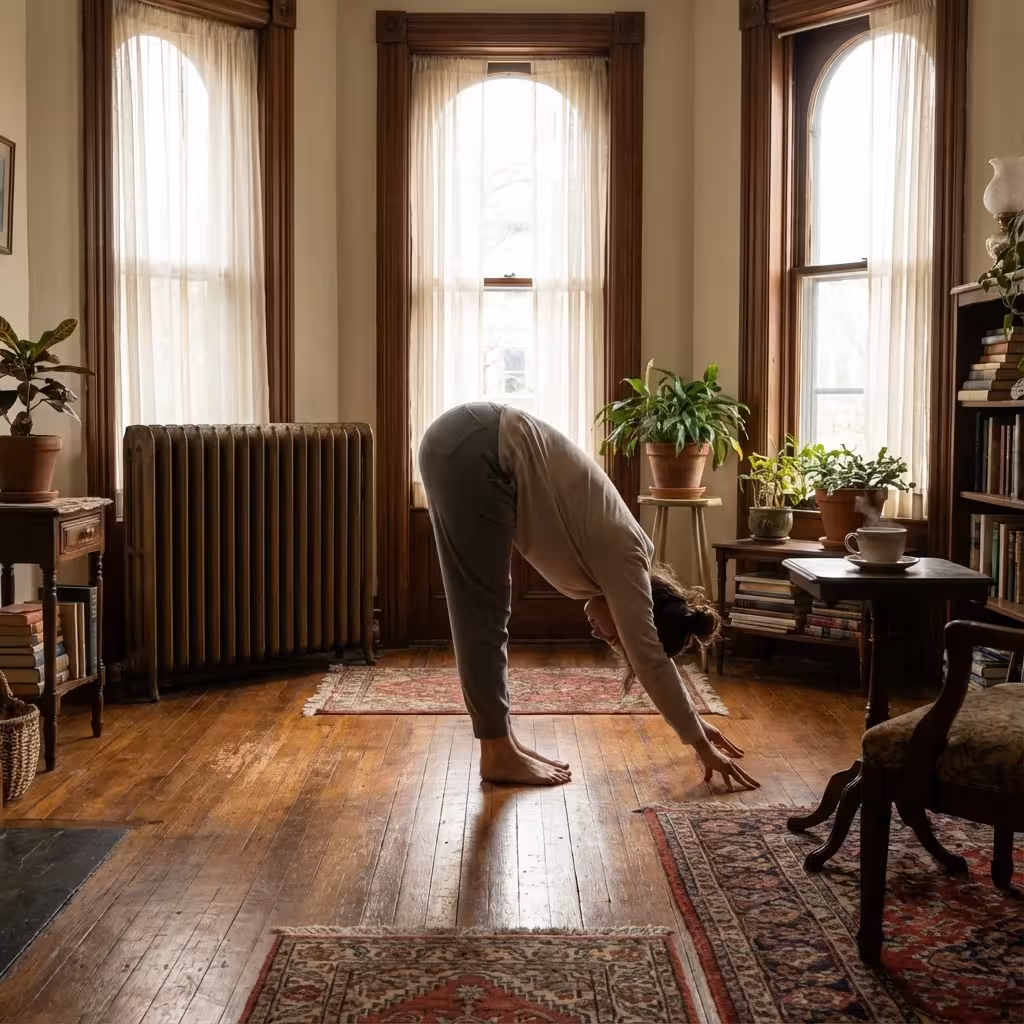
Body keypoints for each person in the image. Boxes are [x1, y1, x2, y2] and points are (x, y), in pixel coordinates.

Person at [419, 401, 760, 791]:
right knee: (481, 612)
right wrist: (698, 743)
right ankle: (496, 752)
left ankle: (504, 743)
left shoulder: (618, 561)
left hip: (469, 443)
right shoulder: (627, 560)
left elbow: (645, 647)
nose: (601, 636)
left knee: (486, 609)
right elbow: (649, 657)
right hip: (478, 451)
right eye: (617, 637)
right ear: (640, 606)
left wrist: (697, 722)